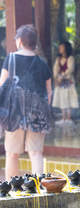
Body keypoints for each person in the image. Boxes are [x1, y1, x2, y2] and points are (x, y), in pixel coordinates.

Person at [0, 24, 52, 179]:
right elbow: (48, 93)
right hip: (38, 112)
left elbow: (2, 86)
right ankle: (39, 189)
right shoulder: (42, 62)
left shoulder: (11, 59)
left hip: (14, 112)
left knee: (12, 153)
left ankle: (12, 190)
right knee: (36, 152)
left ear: (20, 41)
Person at [52, 41, 79, 125]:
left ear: (66, 48)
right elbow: (55, 69)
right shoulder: (58, 59)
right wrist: (57, 77)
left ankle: (68, 117)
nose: (60, 48)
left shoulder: (70, 58)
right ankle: (63, 117)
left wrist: (62, 76)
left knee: (69, 98)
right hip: (60, 82)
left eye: (61, 47)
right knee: (61, 98)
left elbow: (70, 69)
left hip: (68, 81)